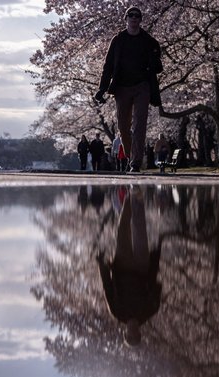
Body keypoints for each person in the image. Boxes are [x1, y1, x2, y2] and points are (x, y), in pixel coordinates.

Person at [94, 6, 163, 173]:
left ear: (140, 20)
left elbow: (157, 63)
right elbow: (108, 66)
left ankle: (135, 163)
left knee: (140, 124)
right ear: (126, 19)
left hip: (142, 86)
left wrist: (152, 61)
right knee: (123, 127)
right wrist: (102, 88)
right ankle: (131, 155)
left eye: (137, 16)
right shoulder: (118, 40)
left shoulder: (149, 41)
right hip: (122, 88)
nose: (133, 18)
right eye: (130, 15)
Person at [97, 186, 162, 346]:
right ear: (139, 332)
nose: (132, 332)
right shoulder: (150, 311)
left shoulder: (117, 312)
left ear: (125, 332)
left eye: (129, 335)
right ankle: (137, 198)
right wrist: (155, 259)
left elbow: (108, 286)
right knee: (139, 230)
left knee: (122, 230)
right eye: (135, 335)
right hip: (142, 266)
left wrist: (102, 264)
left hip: (122, 266)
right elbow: (156, 285)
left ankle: (128, 198)